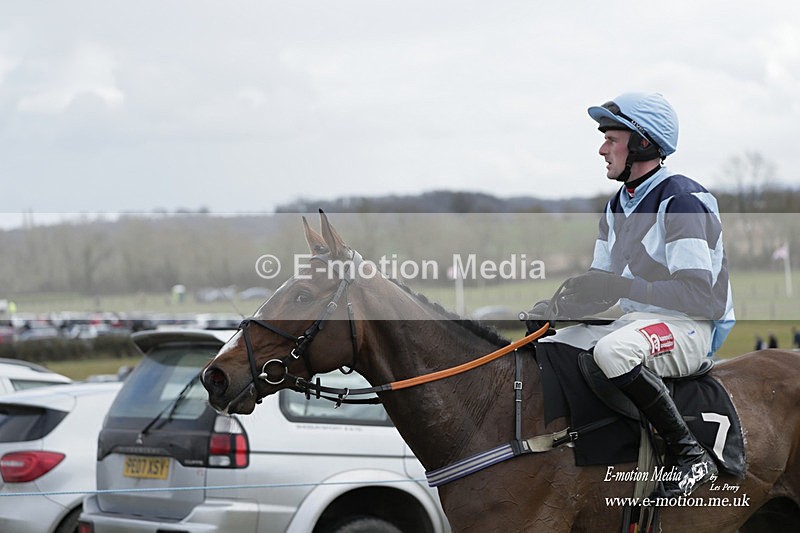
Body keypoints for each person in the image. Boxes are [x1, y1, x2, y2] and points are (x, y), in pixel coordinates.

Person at [527, 92, 735, 498]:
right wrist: (557, 310)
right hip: (637, 321)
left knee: (613, 353)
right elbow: (601, 284)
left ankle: (692, 456)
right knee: (548, 347)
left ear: (642, 143)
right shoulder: (617, 205)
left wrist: (619, 288)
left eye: (611, 138)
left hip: (690, 327)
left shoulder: (681, 199)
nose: (602, 148)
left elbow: (696, 295)